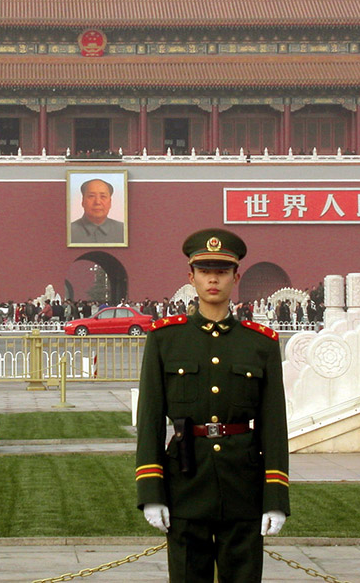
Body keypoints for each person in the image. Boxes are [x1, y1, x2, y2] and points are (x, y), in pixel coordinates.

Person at [135, 228, 289, 582]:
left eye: (222, 271)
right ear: (191, 277)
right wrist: (151, 491)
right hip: (186, 482)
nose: (213, 279)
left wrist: (275, 496)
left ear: (236, 277)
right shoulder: (165, 339)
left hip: (243, 485)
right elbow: (150, 421)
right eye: (205, 271)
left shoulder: (260, 344)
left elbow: (274, 426)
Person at [69, 178, 125, 244]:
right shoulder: (68, 232)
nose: (97, 202)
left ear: (110, 202)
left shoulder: (123, 231)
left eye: (103, 196)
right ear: (83, 201)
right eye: (91, 196)